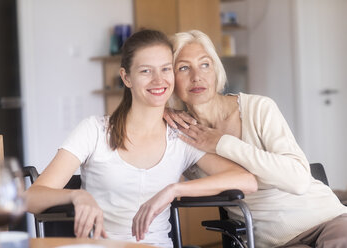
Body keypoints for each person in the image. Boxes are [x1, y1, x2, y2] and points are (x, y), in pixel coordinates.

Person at [25, 29, 257, 248]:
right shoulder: (94, 131)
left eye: (166, 69)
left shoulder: (181, 137)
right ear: (126, 77)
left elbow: (246, 180)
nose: (159, 80)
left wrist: (174, 190)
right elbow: (30, 198)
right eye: (146, 71)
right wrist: (77, 195)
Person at [164, 29, 347, 248]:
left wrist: (222, 143)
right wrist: (158, 113)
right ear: (169, 78)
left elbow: (298, 181)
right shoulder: (181, 135)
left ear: (216, 70)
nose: (197, 76)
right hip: (275, 240)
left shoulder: (259, 108)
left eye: (205, 64)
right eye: (183, 68)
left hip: (329, 219)